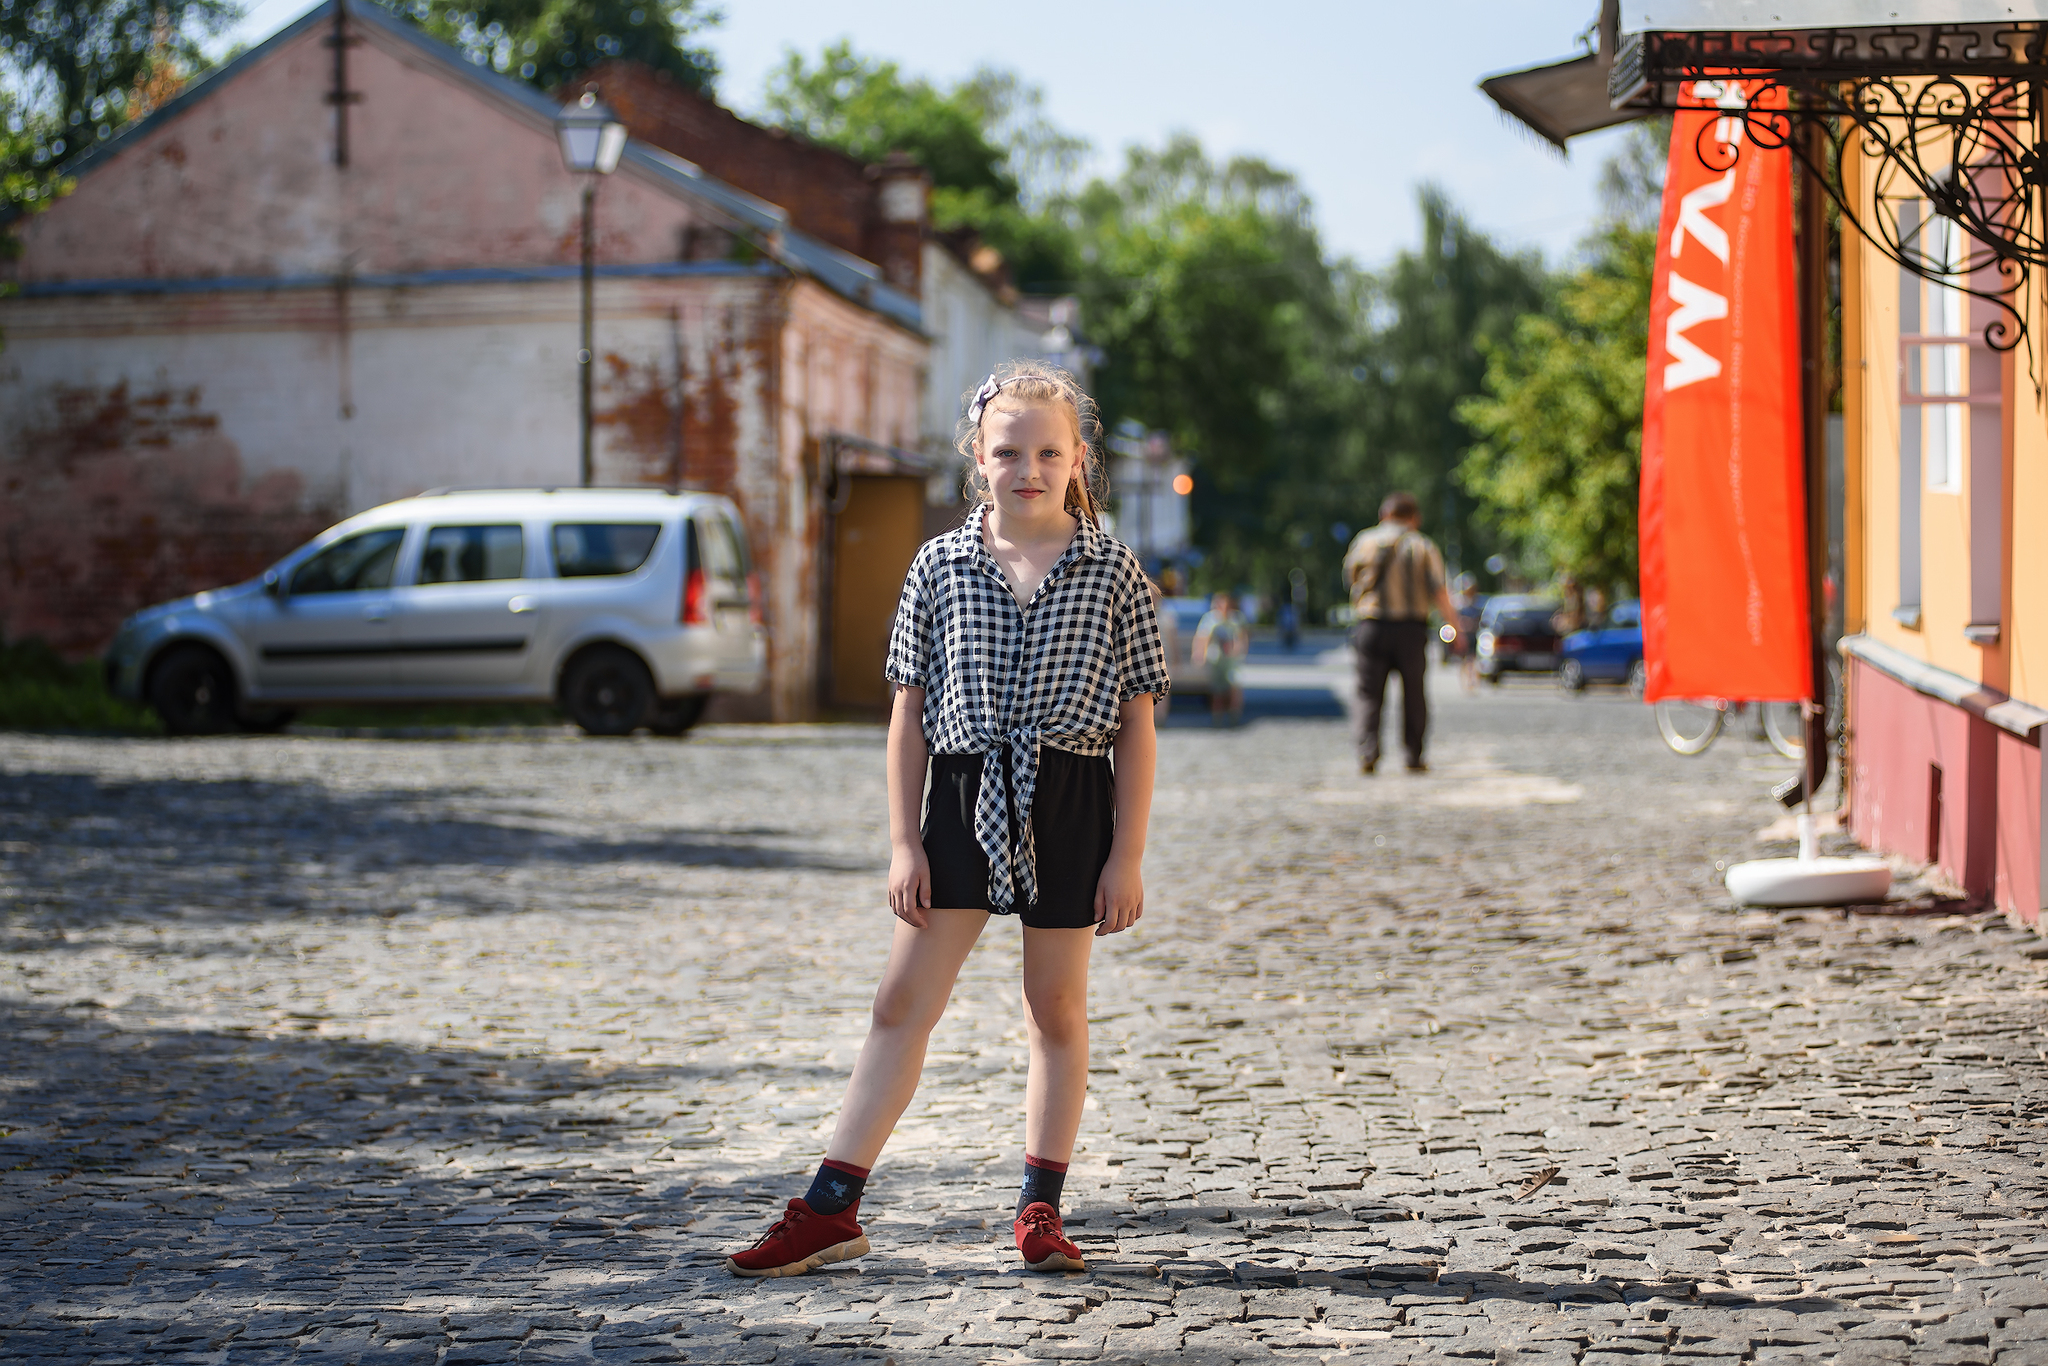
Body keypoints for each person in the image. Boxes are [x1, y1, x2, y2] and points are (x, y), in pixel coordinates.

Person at [724, 360, 1169, 1280]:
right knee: (900, 1004)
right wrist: (902, 841)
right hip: (963, 801)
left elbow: (1137, 721)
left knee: (1055, 1008)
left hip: (1072, 795)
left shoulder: (1115, 572)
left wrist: (1127, 854)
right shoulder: (939, 565)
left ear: (1079, 458)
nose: (1029, 468)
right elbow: (907, 714)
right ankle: (829, 1208)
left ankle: (1039, 1208)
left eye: (1049, 451)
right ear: (978, 456)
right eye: (1009, 451)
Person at [1342, 492, 1461, 774]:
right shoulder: (1421, 545)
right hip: (1410, 627)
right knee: (1414, 694)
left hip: (1371, 625)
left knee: (1368, 693)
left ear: (1384, 515)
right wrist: (1455, 627)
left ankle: (1367, 751)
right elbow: (1439, 590)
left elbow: (1351, 580)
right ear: (1414, 518)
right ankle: (1413, 755)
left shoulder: (1364, 541)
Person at [1190, 591, 1249, 726]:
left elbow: (1242, 637)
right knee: (1217, 691)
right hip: (1216, 659)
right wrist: (1199, 654)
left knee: (1235, 686)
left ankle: (1235, 716)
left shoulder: (1236, 619)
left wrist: (1239, 650)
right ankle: (1217, 717)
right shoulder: (1210, 620)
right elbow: (1202, 638)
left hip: (1232, 660)